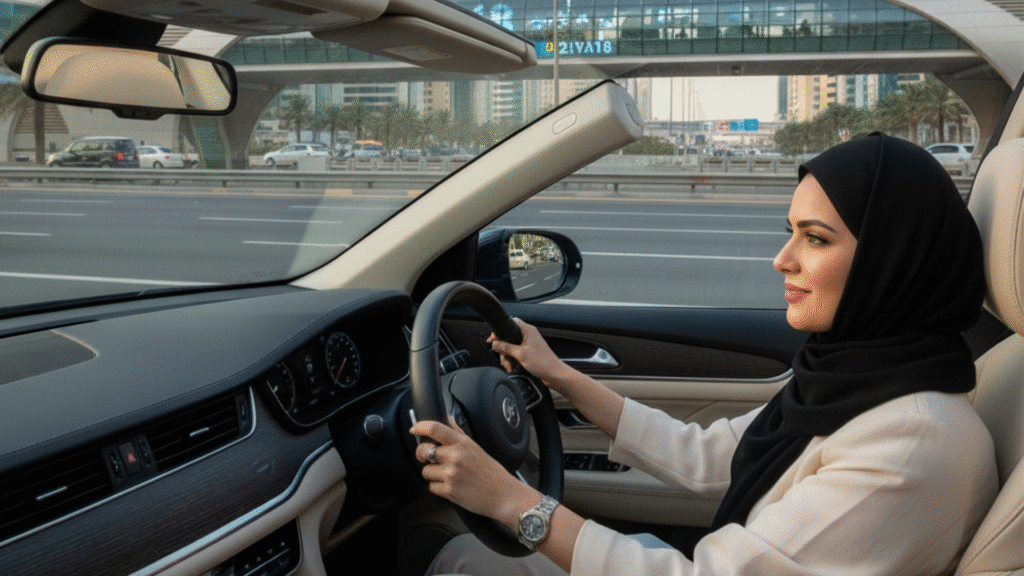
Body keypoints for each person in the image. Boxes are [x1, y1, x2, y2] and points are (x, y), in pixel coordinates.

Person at [409, 132, 999, 576]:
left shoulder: (911, 443)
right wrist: (560, 374)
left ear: (892, 259)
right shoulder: (863, 375)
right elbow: (710, 457)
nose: (783, 258)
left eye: (815, 238)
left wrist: (511, 501)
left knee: (456, 559)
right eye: (790, 230)